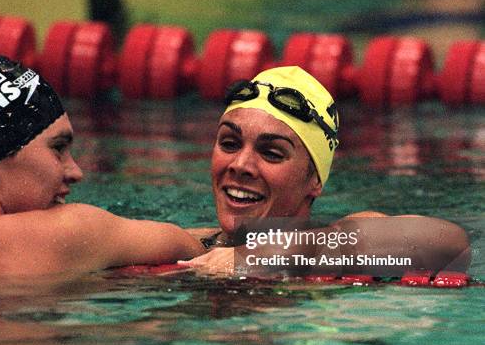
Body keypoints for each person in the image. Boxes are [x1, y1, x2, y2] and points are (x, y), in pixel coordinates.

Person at [0, 55, 205, 287]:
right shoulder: (64, 233)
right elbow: (203, 250)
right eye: (58, 148)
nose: (75, 172)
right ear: (2, 149)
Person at [182, 66, 471, 276]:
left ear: (315, 180)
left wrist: (257, 255)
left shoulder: (339, 239)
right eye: (230, 143)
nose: (240, 165)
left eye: (271, 153)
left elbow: (451, 244)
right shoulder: (197, 246)